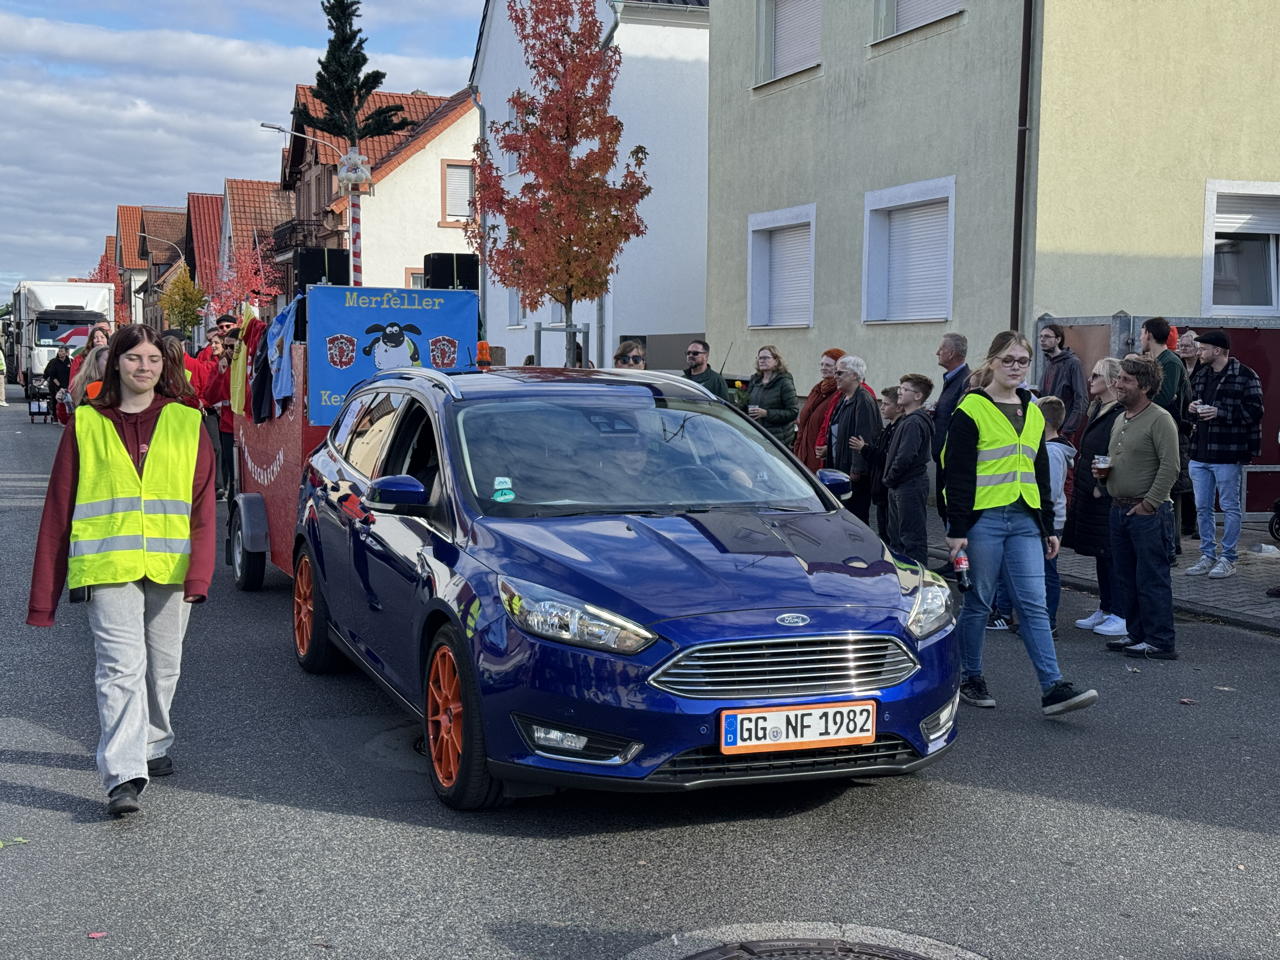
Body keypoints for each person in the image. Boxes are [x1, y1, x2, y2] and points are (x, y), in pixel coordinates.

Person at [27, 324, 216, 816]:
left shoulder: (187, 423)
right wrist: (44, 596)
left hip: (171, 566)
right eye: (134, 358)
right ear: (115, 364)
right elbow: (58, 507)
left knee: (164, 666)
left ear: (164, 366)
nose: (144, 367)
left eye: (153, 359)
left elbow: (203, 510)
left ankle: (153, 742)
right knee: (119, 669)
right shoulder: (86, 424)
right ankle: (123, 775)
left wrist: (199, 576)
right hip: (107, 566)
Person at [943, 330, 1098, 717]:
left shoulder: (1033, 410)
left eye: (1022, 361)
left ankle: (1053, 687)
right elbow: (955, 473)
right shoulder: (971, 409)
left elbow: (1039, 469)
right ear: (992, 361)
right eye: (1008, 360)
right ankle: (971, 677)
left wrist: (1049, 526)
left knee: (1034, 604)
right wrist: (956, 530)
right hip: (984, 520)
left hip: (1026, 520)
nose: (1015, 367)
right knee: (979, 603)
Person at [1099, 355, 1180, 659]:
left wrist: (1149, 504)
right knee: (1126, 577)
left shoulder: (1160, 419)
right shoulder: (1121, 417)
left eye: (1125, 380)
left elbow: (1170, 467)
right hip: (1119, 510)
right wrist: (1105, 477)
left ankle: (1160, 640)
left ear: (1144, 386)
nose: (1117, 384)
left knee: (1151, 578)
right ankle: (1136, 634)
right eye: (1118, 378)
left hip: (1148, 514)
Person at [1184, 330, 1264, 580]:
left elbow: (1255, 411)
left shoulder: (1245, 375)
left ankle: (1228, 558)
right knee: (1202, 508)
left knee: (1230, 507)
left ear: (1217, 351)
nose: (1199, 352)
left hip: (1228, 453)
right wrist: (1192, 407)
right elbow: (1193, 405)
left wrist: (1221, 413)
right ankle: (1207, 555)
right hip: (1199, 452)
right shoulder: (1201, 374)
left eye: (1203, 348)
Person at [1063, 357, 1127, 638]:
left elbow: (1113, 454)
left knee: (1112, 554)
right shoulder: (1098, 409)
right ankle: (1106, 606)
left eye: (1096, 375)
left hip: (1104, 492)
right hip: (1090, 490)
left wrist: (1100, 484)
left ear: (1111, 380)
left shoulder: (1118, 414)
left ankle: (1120, 611)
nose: (1090, 380)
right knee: (1101, 554)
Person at [882, 373, 935, 564]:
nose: (899, 393)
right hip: (901, 485)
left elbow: (905, 457)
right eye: (900, 388)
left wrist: (889, 478)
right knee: (897, 537)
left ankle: (917, 578)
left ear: (918, 396)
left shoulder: (914, 422)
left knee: (911, 538)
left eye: (904, 390)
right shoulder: (908, 419)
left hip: (908, 485)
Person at [823, 355, 881, 523]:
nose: (836, 376)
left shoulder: (862, 399)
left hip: (852, 474)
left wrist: (857, 469)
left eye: (840, 373)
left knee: (855, 517)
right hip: (840, 467)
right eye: (835, 372)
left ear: (855, 375)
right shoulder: (845, 397)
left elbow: (864, 436)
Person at [1036, 395, 1075, 632]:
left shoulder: (1051, 453)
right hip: (1047, 518)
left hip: (1048, 520)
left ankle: (1048, 622)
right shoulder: (1049, 450)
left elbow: (1047, 492)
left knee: (1047, 571)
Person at [932, 333, 970, 527]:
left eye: (941, 348)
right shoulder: (952, 379)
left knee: (949, 510)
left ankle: (957, 556)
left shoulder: (965, 382)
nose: (937, 352)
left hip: (952, 460)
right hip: (943, 457)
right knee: (943, 508)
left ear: (952, 352)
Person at [793, 348, 846, 471]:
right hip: (804, 450)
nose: (823, 367)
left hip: (820, 455)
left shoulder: (840, 393)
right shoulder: (817, 389)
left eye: (828, 365)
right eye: (821, 364)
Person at [861, 385, 902, 543]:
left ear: (898, 407)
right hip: (880, 491)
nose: (882, 407)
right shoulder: (889, 428)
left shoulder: (898, 428)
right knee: (884, 532)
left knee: (892, 534)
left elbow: (887, 458)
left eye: (886, 404)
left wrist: (865, 449)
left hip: (887, 490)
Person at [743, 344, 799, 445]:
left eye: (766, 358)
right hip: (757, 435)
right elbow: (745, 404)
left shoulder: (784, 382)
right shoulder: (755, 380)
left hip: (777, 440)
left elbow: (793, 412)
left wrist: (766, 413)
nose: (761, 360)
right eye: (759, 358)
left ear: (776, 361)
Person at [1038, 323, 1087, 435]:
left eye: (1047, 336)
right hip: (1046, 429)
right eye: (1040, 336)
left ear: (1058, 339)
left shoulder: (1073, 363)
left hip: (1063, 430)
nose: (1042, 340)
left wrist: (1067, 430)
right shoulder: (1049, 363)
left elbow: (1081, 399)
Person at [44, 345, 73, 425]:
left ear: (67, 353)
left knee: (69, 401)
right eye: (59, 351)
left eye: (62, 351)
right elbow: (52, 376)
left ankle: (68, 417)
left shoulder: (71, 361)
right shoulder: (54, 362)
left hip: (68, 385)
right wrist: (60, 386)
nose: (60, 353)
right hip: (56, 385)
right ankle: (55, 417)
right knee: (56, 400)